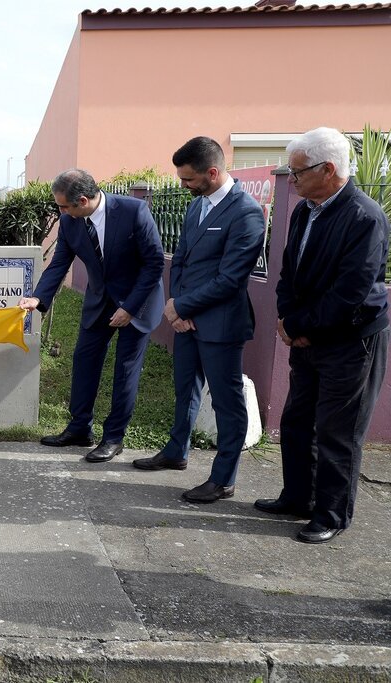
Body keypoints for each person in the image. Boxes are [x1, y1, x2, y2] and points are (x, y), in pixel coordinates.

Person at [255, 127, 390, 544]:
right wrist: (288, 319)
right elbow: (289, 272)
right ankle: (298, 497)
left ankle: (331, 514)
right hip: (307, 336)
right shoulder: (304, 210)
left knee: (338, 430)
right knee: (297, 420)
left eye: (297, 172)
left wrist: (300, 327)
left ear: (328, 169)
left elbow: (351, 292)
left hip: (350, 341)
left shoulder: (364, 216)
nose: (292, 180)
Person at [132, 137, 265, 503]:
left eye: (189, 179)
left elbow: (231, 278)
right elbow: (181, 260)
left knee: (226, 402)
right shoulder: (196, 205)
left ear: (212, 172)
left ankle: (223, 479)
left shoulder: (247, 212)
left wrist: (182, 307)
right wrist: (176, 306)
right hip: (187, 320)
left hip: (220, 325)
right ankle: (176, 451)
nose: (183, 185)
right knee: (185, 389)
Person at [19, 169, 164, 461]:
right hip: (99, 302)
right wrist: (38, 297)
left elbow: (154, 263)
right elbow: (59, 263)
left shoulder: (134, 211)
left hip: (137, 302)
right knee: (84, 360)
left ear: (83, 201)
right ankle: (79, 428)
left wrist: (129, 308)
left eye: (64, 206)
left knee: (125, 370)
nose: (61, 212)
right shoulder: (69, 221)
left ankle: (113, 437)